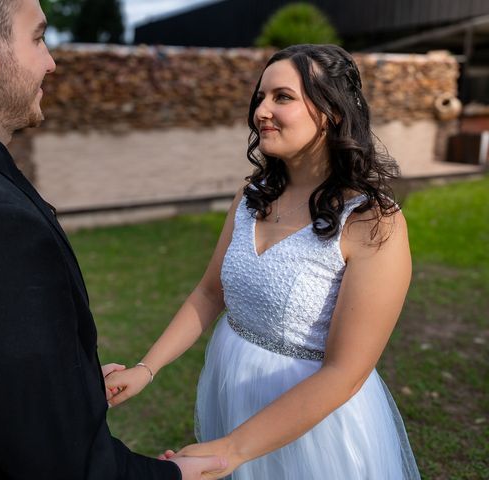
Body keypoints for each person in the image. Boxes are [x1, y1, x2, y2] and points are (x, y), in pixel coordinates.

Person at [0, 0, 226, 478]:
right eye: (38, 37)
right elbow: (63, 466)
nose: (51, 61)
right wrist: (177, 474)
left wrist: (65, 385)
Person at [105, 44, 421, 479]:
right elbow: (210, 291)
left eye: (282, 97)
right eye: (261, 97)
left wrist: (230, 451)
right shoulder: (251, 196)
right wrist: (147, 367)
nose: (261, 111)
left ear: (331, 111)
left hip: (312, 419)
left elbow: (345, 372)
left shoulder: (372, 222)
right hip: (232, 382)